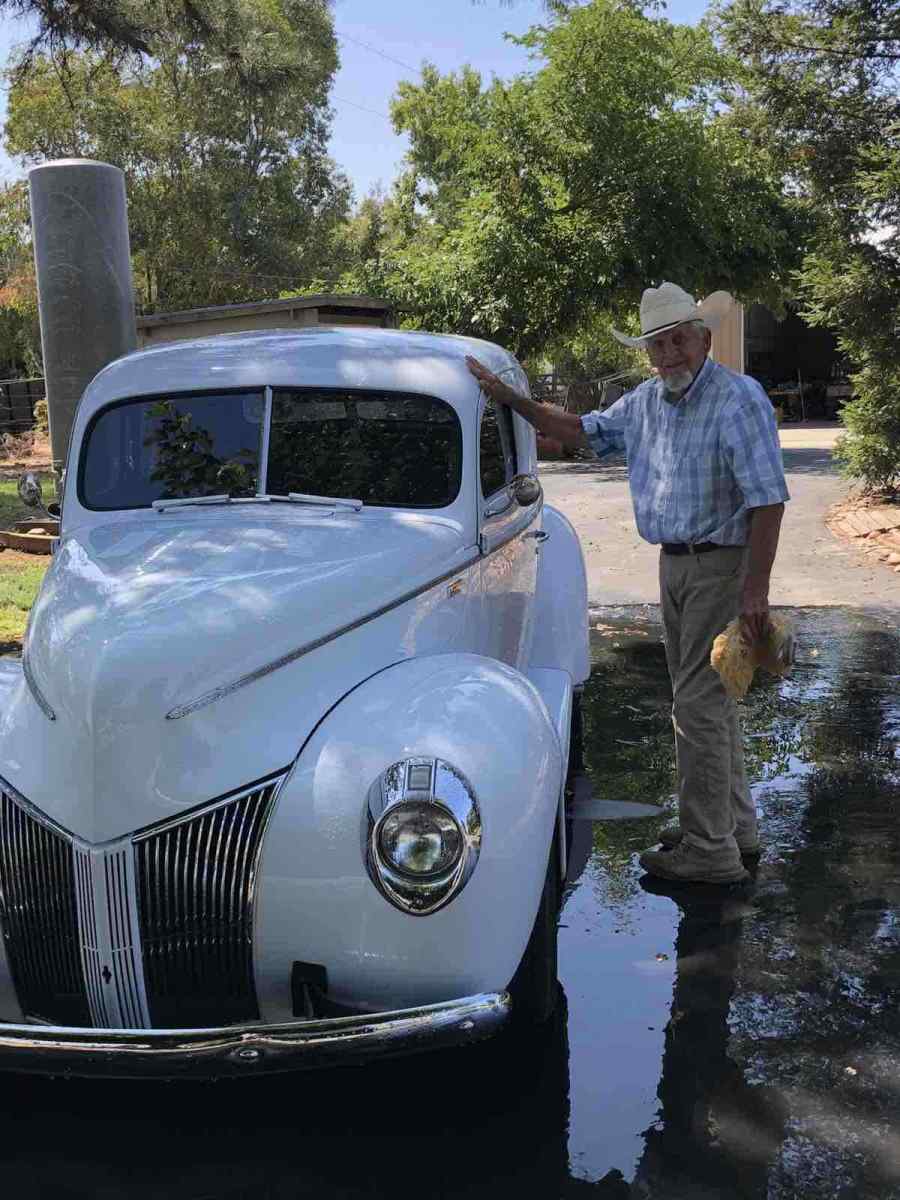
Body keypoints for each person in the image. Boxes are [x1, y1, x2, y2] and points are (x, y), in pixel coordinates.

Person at [466, 282, 789, 885]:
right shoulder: (645, 402)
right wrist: (509, 398)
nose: (668, 356)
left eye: (678, 342)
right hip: (674, 563)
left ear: (704, 340)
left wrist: (754, 592)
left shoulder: (737, 399)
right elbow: (577, 429)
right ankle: (729, 828)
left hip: (723, 564)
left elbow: (768, 500)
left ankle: (708, 851)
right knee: (712, 699)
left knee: (697, 704)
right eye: (657, 346)